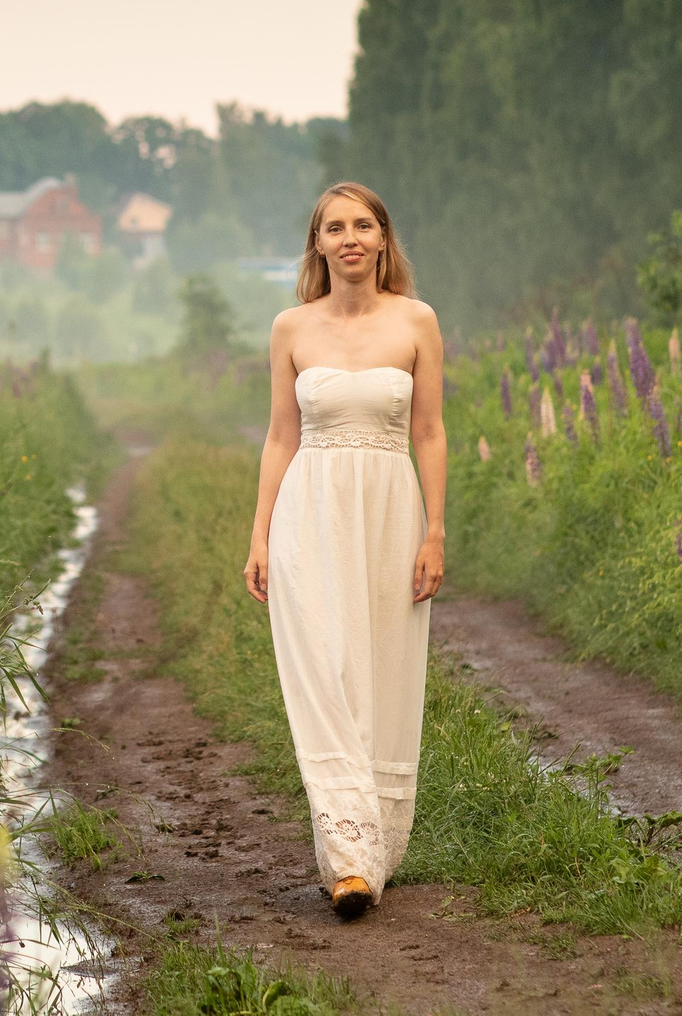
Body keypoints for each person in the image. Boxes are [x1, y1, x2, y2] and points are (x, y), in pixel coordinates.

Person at [241, 182, 445, 920]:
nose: (350, 237)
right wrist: (261, 534)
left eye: (363, 224)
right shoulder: (291, 326)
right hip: (309, 512)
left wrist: (435, 530)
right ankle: (349, 859)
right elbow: (280, 436)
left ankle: (375, 845)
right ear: (318, 243)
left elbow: (429, 432)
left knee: (380, 668)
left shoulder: (417, 321)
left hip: (392, 510)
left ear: (384, 239)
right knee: (322, 670)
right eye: (335, 227)